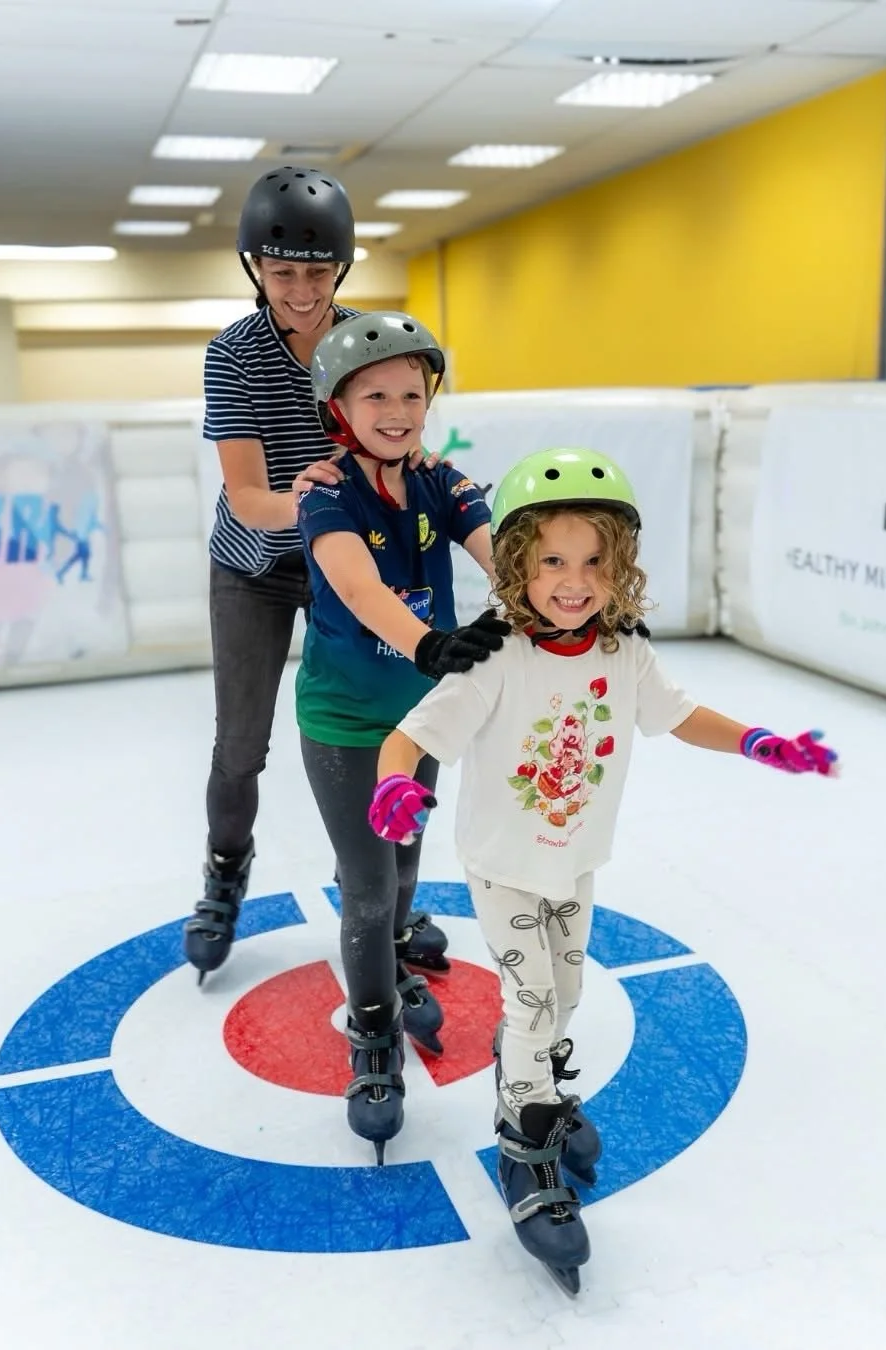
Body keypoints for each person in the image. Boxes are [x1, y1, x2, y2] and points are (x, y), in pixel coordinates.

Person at [368, 446, 840, 1294]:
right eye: (552, 560)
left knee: (566, 994)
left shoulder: (623, 653)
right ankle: (525, 1149)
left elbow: (681, 715)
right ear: (516, 565)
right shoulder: (497, 656)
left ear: (621, 567)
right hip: (506, 865)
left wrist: (760, 741)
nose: (574, 580)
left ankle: (540, 1080)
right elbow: (408, 735)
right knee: (537, 1002)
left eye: (594, 561)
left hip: (575, 861)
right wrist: (396, 784)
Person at [183, 167, 449, 982]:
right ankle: (225, 872)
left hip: (355, 567)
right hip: (259, 565)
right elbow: (247, 498)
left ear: (343, 269)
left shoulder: (372, 339)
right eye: (283, 272)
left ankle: (377, 893)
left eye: (318, 272)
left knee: (389, 723)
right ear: (255, 268)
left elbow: (398, 437)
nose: (301, 290)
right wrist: (312, 501)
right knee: (242, 746)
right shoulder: (232, 355)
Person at [296, 310, 508, 1163]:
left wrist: (546, 604)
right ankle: (374, 1031)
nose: (397, 409)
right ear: (338, 407)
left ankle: (392, 966)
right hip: (348, 723)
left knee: (410, 868)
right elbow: (352, 581)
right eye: (375, 394)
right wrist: (428, 644)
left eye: (411, 394)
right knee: (371, 885)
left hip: (421, 719)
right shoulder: (324, 490)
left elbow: (498, 548)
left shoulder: (440, 480)